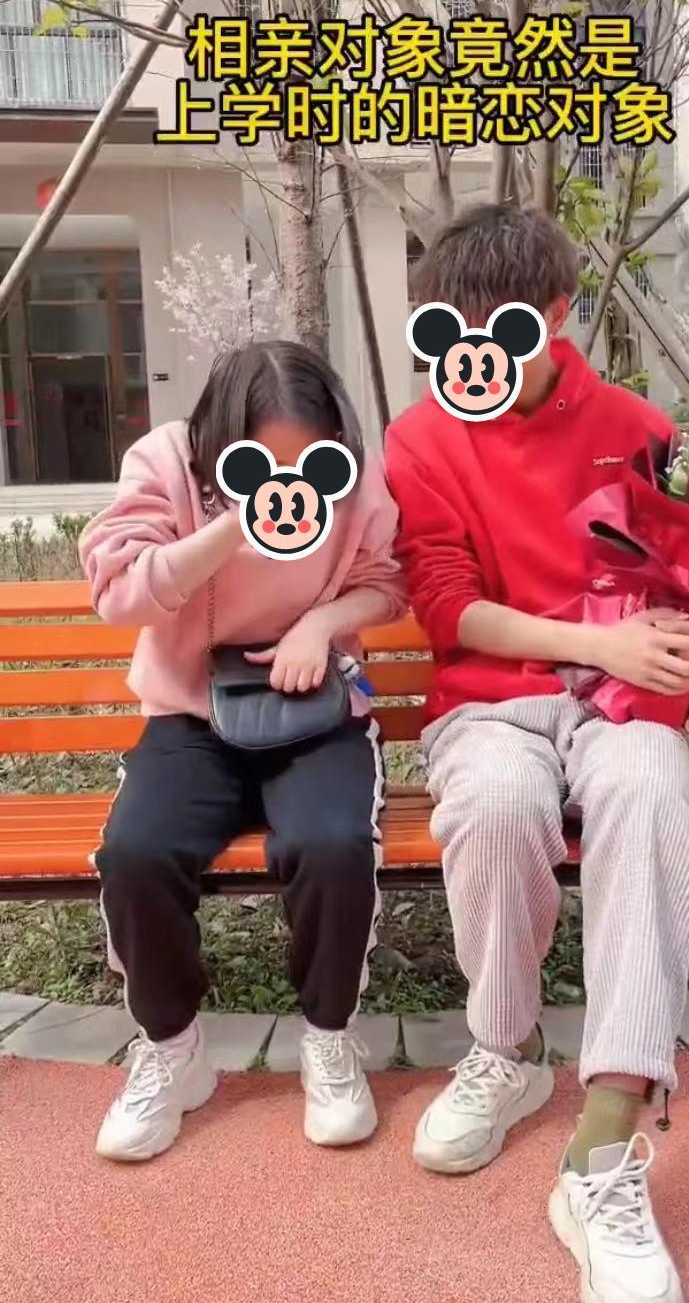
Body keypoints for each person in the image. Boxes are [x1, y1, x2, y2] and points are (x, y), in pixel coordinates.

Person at [384, 204, 689, 1303]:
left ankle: (604, 1141)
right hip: (491, 701)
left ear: (558, 315)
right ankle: (506, 1050)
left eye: (501, 334)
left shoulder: (637, 424)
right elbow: (447, 606)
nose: (474, 362)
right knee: (493, 803)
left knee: (651, 795)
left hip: (621, 705)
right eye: (449, 336)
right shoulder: (422, 438)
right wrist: (595, 640)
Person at [80, 340, 406, 1163]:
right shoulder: (164, 462)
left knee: (331, 842)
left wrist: (319, 624)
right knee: (136, 850)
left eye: (308, 463)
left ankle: (327, 1037)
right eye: (262, 463)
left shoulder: (351, 475)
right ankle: (172, 1047)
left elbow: (386, 582)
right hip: (190, 717)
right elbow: (118, 593)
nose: (293, 481)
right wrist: (237, 523)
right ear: (217, 444)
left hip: (317, 710)